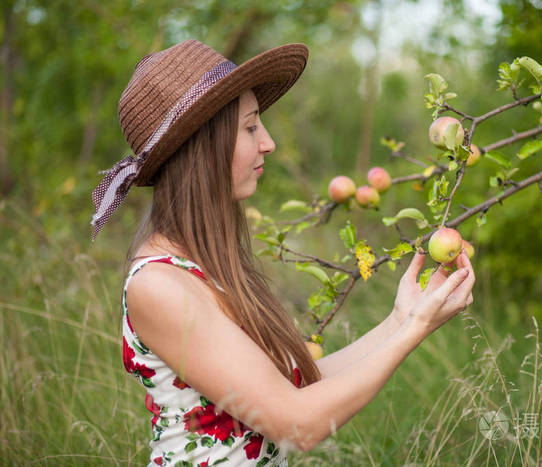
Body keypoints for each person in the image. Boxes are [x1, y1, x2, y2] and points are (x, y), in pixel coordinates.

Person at [90, 39, 475, 466]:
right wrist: (414, 329)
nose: (268, 142)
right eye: (251, 126)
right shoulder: (159, 285)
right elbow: (298, 424)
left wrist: (401, 319)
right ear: (206, 145)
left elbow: (300, 390)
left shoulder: (207, 266)